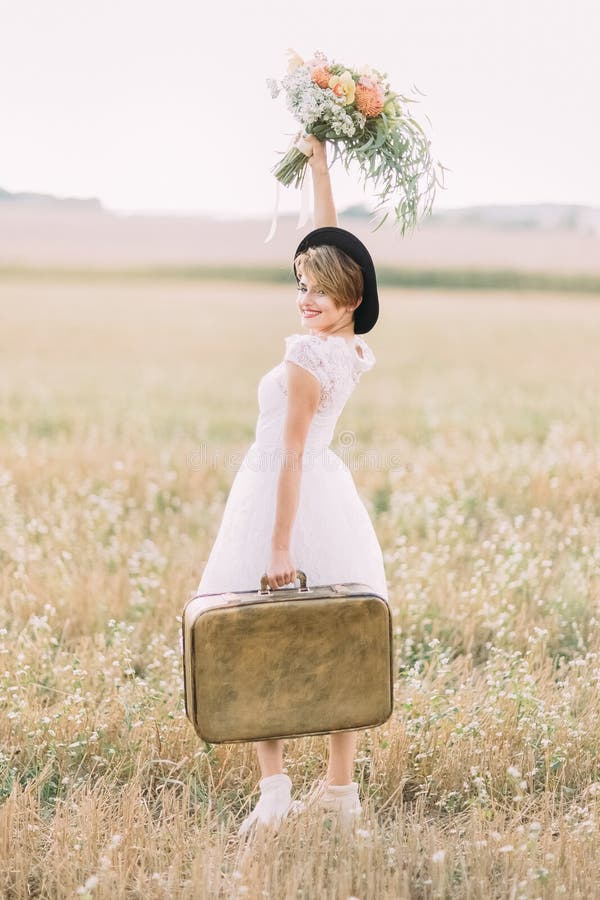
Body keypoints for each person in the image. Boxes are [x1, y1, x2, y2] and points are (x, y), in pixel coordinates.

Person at [194, 133, 389, 838]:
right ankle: (339, 794)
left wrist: (278, 545)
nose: (307, 298)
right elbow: (335, 247)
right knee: (341, 642)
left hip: (283, 492)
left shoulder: (309, 355)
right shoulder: (347, 348)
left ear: (350, 298)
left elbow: (291, 454)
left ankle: (275, 788)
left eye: (322, 289)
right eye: (301, 284)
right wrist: (320, 165)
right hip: (329, 496)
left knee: (254, 633)